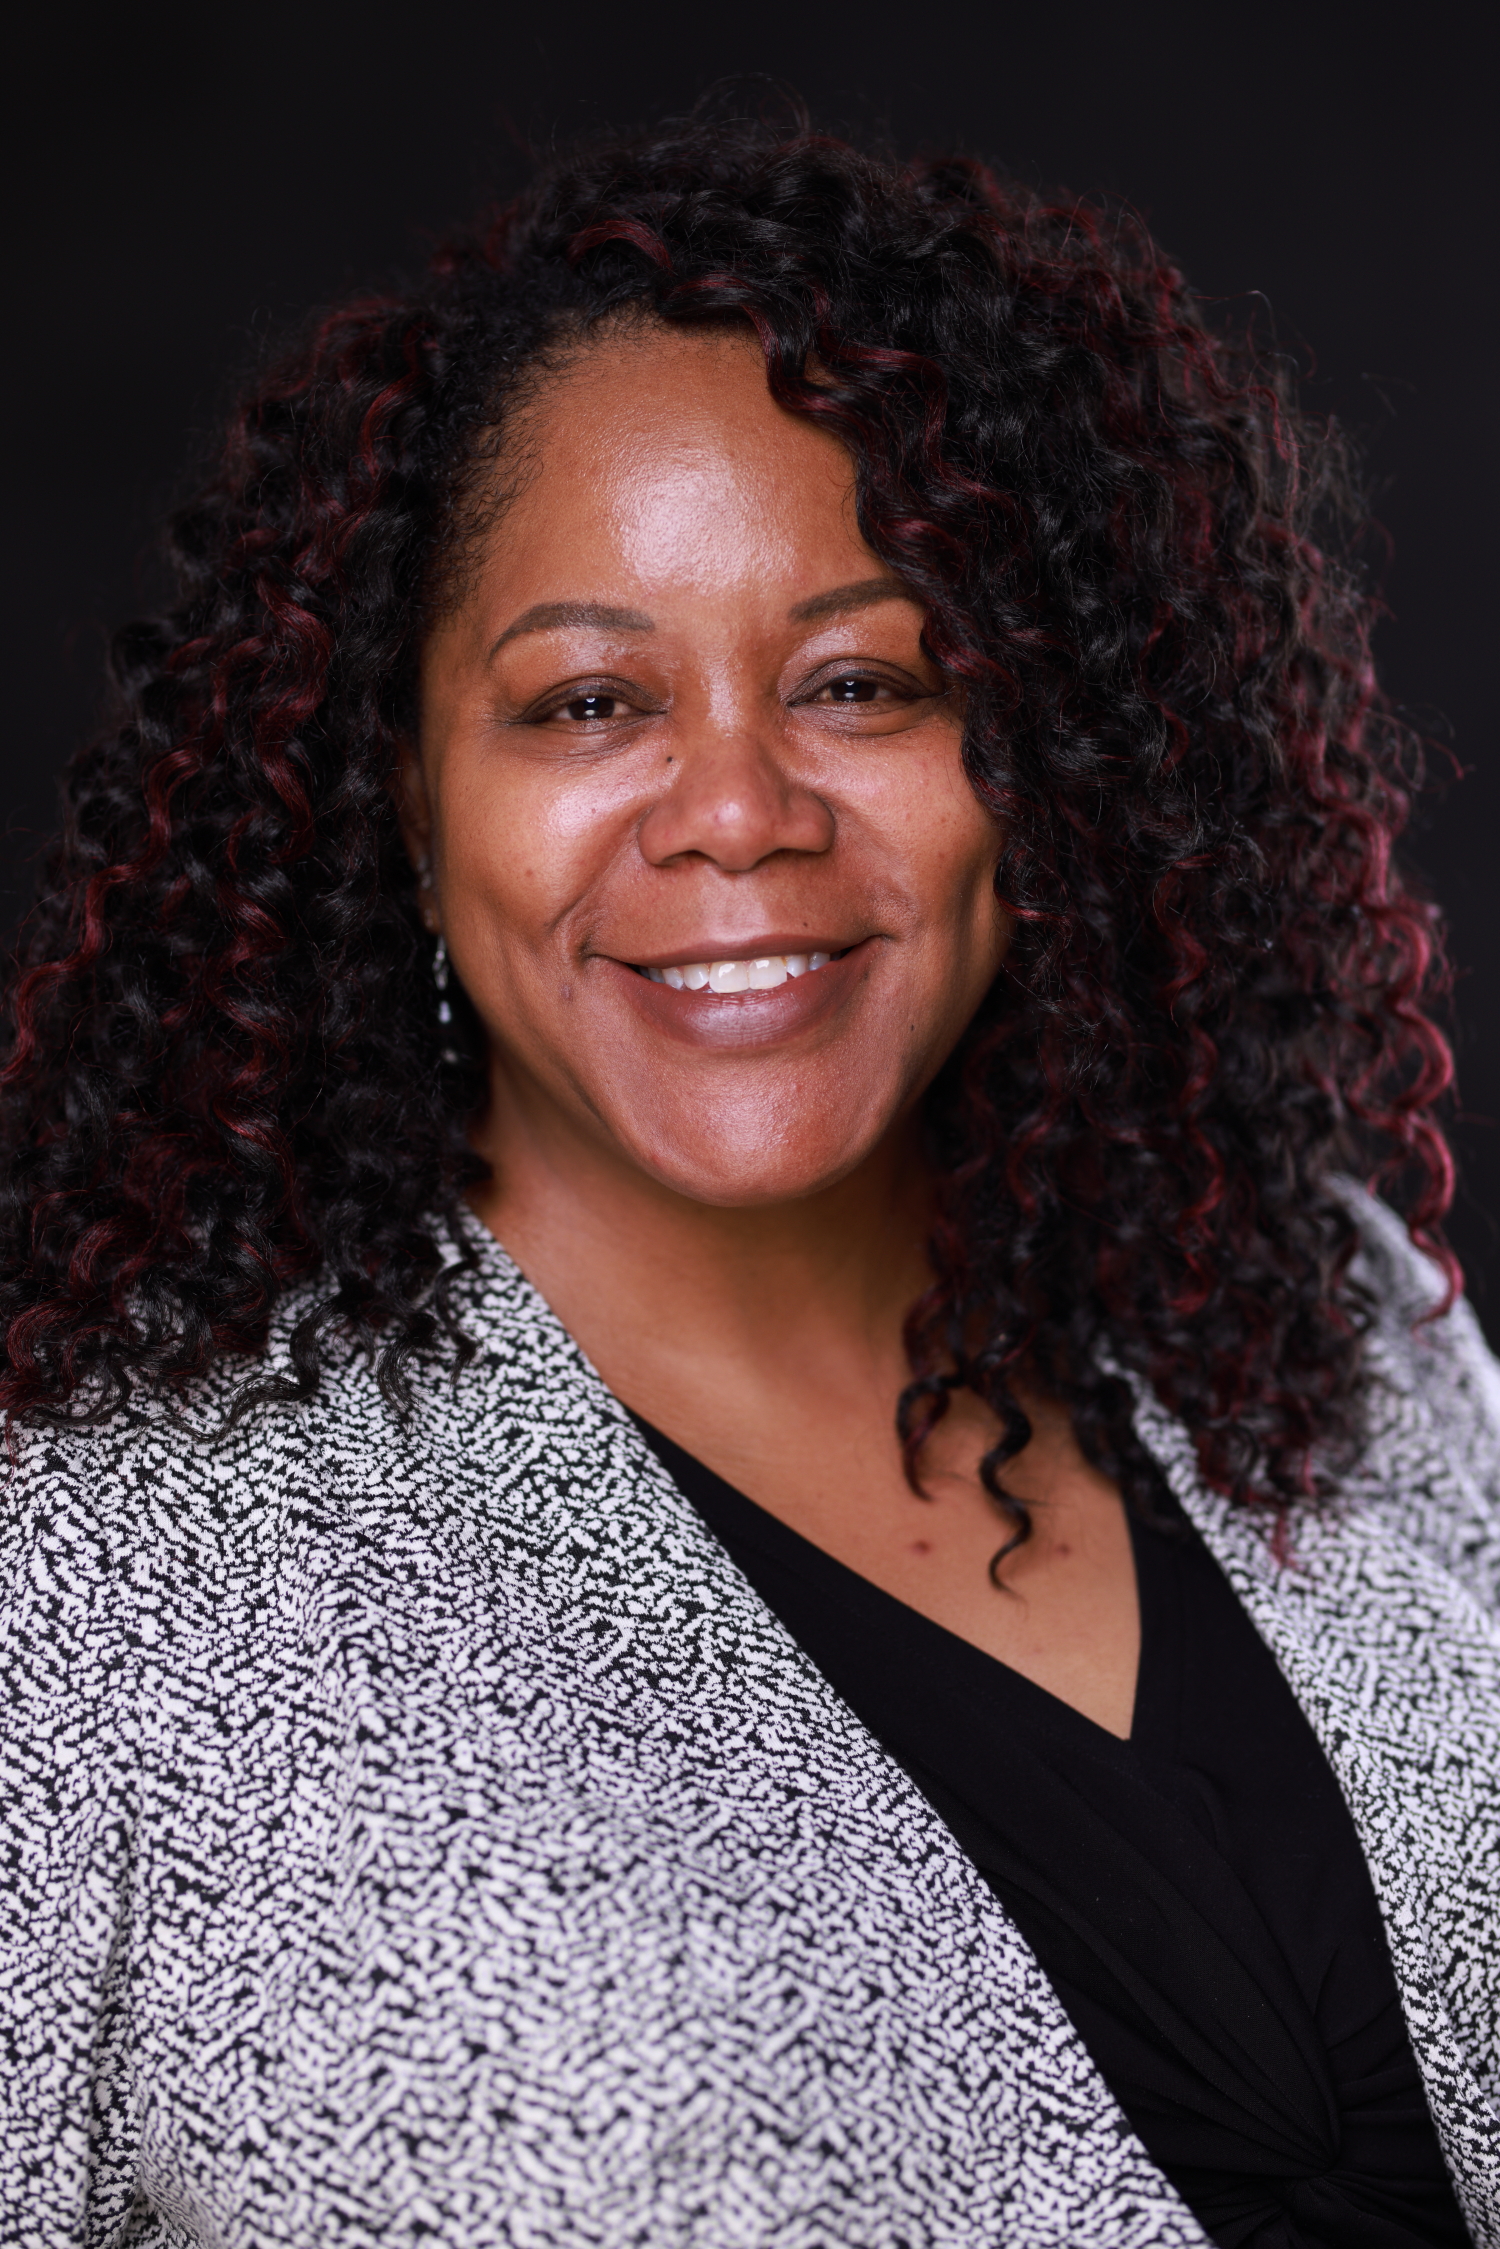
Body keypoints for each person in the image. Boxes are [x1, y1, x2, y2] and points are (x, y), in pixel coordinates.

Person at [1, 109, 1496, 2249]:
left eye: (861, 682)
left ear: (1037, 754)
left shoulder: (1332, 1328)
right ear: (399, 804)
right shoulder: (99, 1587)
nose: (737, 814)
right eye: (589, 699)